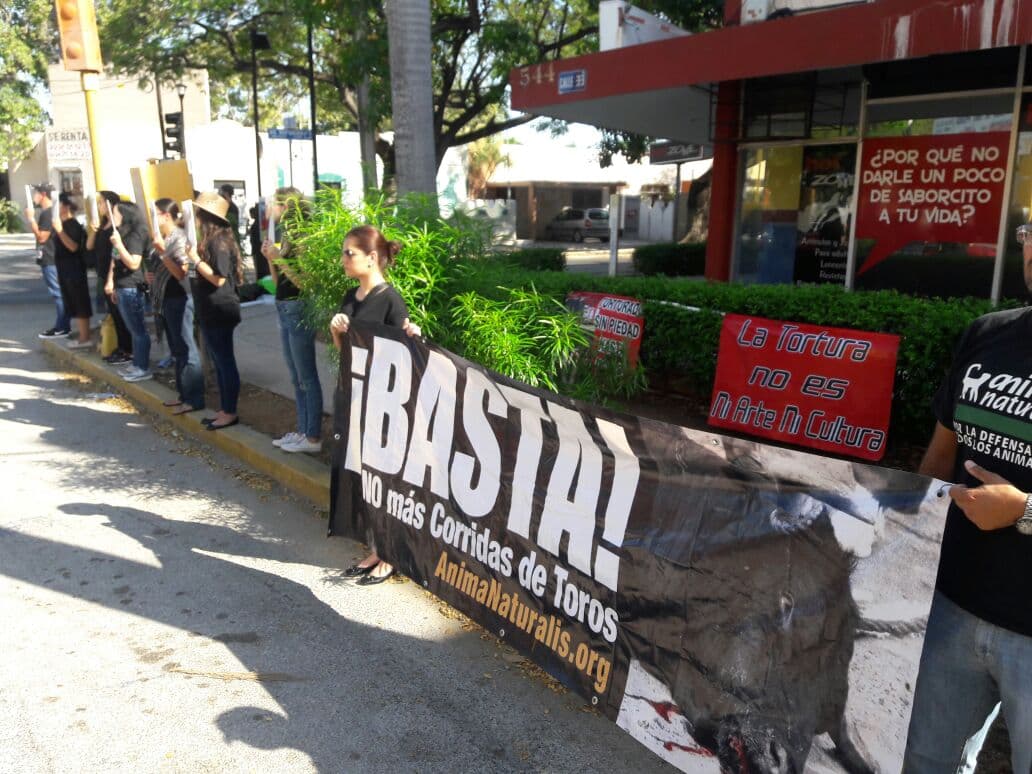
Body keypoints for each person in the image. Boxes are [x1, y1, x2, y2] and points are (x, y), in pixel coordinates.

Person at [901, 224, 1032, 772]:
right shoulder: (986, 334)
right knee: (922, 762)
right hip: (950, 609)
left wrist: (1024, 511)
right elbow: (940, 456)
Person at [330, 225, 421, 586]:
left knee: (385, 480)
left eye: (349, 253)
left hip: (385, 404)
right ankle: (375, 548)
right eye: (344, 252)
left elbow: (407, 357)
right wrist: (337, 333)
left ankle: (391, 555)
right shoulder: (350, 296)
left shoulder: (391, 299)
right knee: (364, 476)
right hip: (357, 398)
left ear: (372, 257)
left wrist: (414, 337)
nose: (343, 259)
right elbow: (347, 355)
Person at [263, 187, 322, 454]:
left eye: (273, 204)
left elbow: (304, 283)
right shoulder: (287, 236)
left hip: (299, 308)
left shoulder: (305, 237)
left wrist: (279, 259)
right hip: (285, 306)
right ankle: (302, 430)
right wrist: (271, 260)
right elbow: (280, 283)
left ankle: (313, 436)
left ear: (286, 207)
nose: (269, 209)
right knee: (296, 377)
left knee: (306, 376)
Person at [186, 191, 242, 431]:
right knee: (220, 362)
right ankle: (225, 408)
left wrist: (196, 260)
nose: (196, 217)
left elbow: (219, 279)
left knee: (224, 362)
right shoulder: (211, 240)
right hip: (210, 308)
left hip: (220, 308)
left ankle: (230, 411)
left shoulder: (218, 242)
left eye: (199, 212)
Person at [151, 198, 205, 415]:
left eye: (155, 214)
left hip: (181, 299)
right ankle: (184, 395)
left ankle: (194, 398)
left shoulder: (179, 238)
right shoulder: (164, 237)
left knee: (187, 349)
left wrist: (163, 253)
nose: (152, 219)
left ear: (166, 216)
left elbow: (181, 273)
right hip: (167, 298)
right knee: (177, 349)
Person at [105, 200, 153, 382]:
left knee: (138, 329)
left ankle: (143, 367)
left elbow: (133, 263)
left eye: (115, 213)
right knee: (132, 328)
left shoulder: (135, 235)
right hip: (122, 285)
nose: (112, 216)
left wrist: (119, 245)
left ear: (125, 215)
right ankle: (137, 363)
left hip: (131, 286)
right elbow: (115, 259)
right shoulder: (121, 233)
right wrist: (112, 282)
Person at [87, 192, 132, 363]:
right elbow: (89, 246)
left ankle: (128, 349)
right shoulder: (102, 225)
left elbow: (116, 253)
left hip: (114, 274)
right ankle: (121, 347)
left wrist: (111, 278)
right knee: (114, 314)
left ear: (109, 204)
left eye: (100, 203)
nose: (98, 206)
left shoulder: (116, 226)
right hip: (102, 273)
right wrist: (93, 231)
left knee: (121, 314)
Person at [24, 183, 70, 339]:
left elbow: (42, 237)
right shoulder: (49, 212)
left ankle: (62, 327)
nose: (34, 197)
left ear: (43, 194)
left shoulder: (47, 213)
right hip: (50, 258)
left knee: (58, 293)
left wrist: (31, 219)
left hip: (51, 259)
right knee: (59, 293)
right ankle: (62, 325)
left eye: (35, 193)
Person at [51, 193, 92, 348]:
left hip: (74, 268)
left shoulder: (72, 224)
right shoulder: (62, 224)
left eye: (59, 205)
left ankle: (85, 337)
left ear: (66, 206)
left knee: (80, 302)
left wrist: (60, 231)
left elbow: (73, 247)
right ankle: (82, 336)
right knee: (72, 302)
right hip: (64, 268)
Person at [219, 184, 241, 248]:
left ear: (226, 193)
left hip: (229, 242)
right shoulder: (232, 207)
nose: (219, 194)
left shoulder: (230, 208)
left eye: (220, 191)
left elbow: (229, 224)